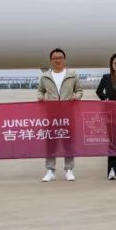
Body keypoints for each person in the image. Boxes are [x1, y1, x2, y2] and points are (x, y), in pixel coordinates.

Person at [37, 48, 85, 182]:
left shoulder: (72, 75)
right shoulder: (45, 76)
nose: (58, 60)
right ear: (51, 61)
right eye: (55, 58)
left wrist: (76, 96)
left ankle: (69, 170)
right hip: (51, 115)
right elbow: (40, 91)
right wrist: (41, 98)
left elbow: (79, 91)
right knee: (51, 142)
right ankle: (50, 170)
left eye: (60, 58)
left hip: (68, 114)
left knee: (68, 141)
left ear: (64, 59)